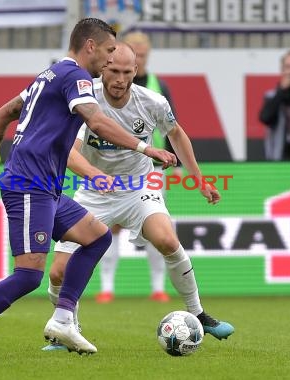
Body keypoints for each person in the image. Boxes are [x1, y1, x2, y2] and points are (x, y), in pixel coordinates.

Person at [0, 18, 177, 360]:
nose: (111, 60)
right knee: (29, 275)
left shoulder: (47, 76)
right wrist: (145, 148)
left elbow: (4, 112)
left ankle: (64, 319)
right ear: (90, 46)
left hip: (45, 186)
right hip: (29, 185)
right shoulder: (75, 76)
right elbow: (96, 121)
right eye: (108, 51)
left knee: (98, 237)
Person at [42, 42, 234, 351]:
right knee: (58, 272)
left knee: (168, 241)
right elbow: (70, 154)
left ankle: (198, 313)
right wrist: (96, 176)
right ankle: (67, 328)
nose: (119, 79)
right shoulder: (85, 99)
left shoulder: (152, 101)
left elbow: (176, 134)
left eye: (126, 72)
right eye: (113, 71)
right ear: (103, 68)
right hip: (95, 190)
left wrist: (199, 180)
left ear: (136, 71)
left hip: (139, 186)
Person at [93, 31, 179, 304]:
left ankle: (158, 287)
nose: (136, 60)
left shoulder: (157, 87)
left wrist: (174, 162)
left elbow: (174, 128)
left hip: (151, 166)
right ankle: (106, 287)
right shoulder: (99, 88)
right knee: (111, 227)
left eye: (141, 56)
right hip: (109, 163)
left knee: (157, 229)